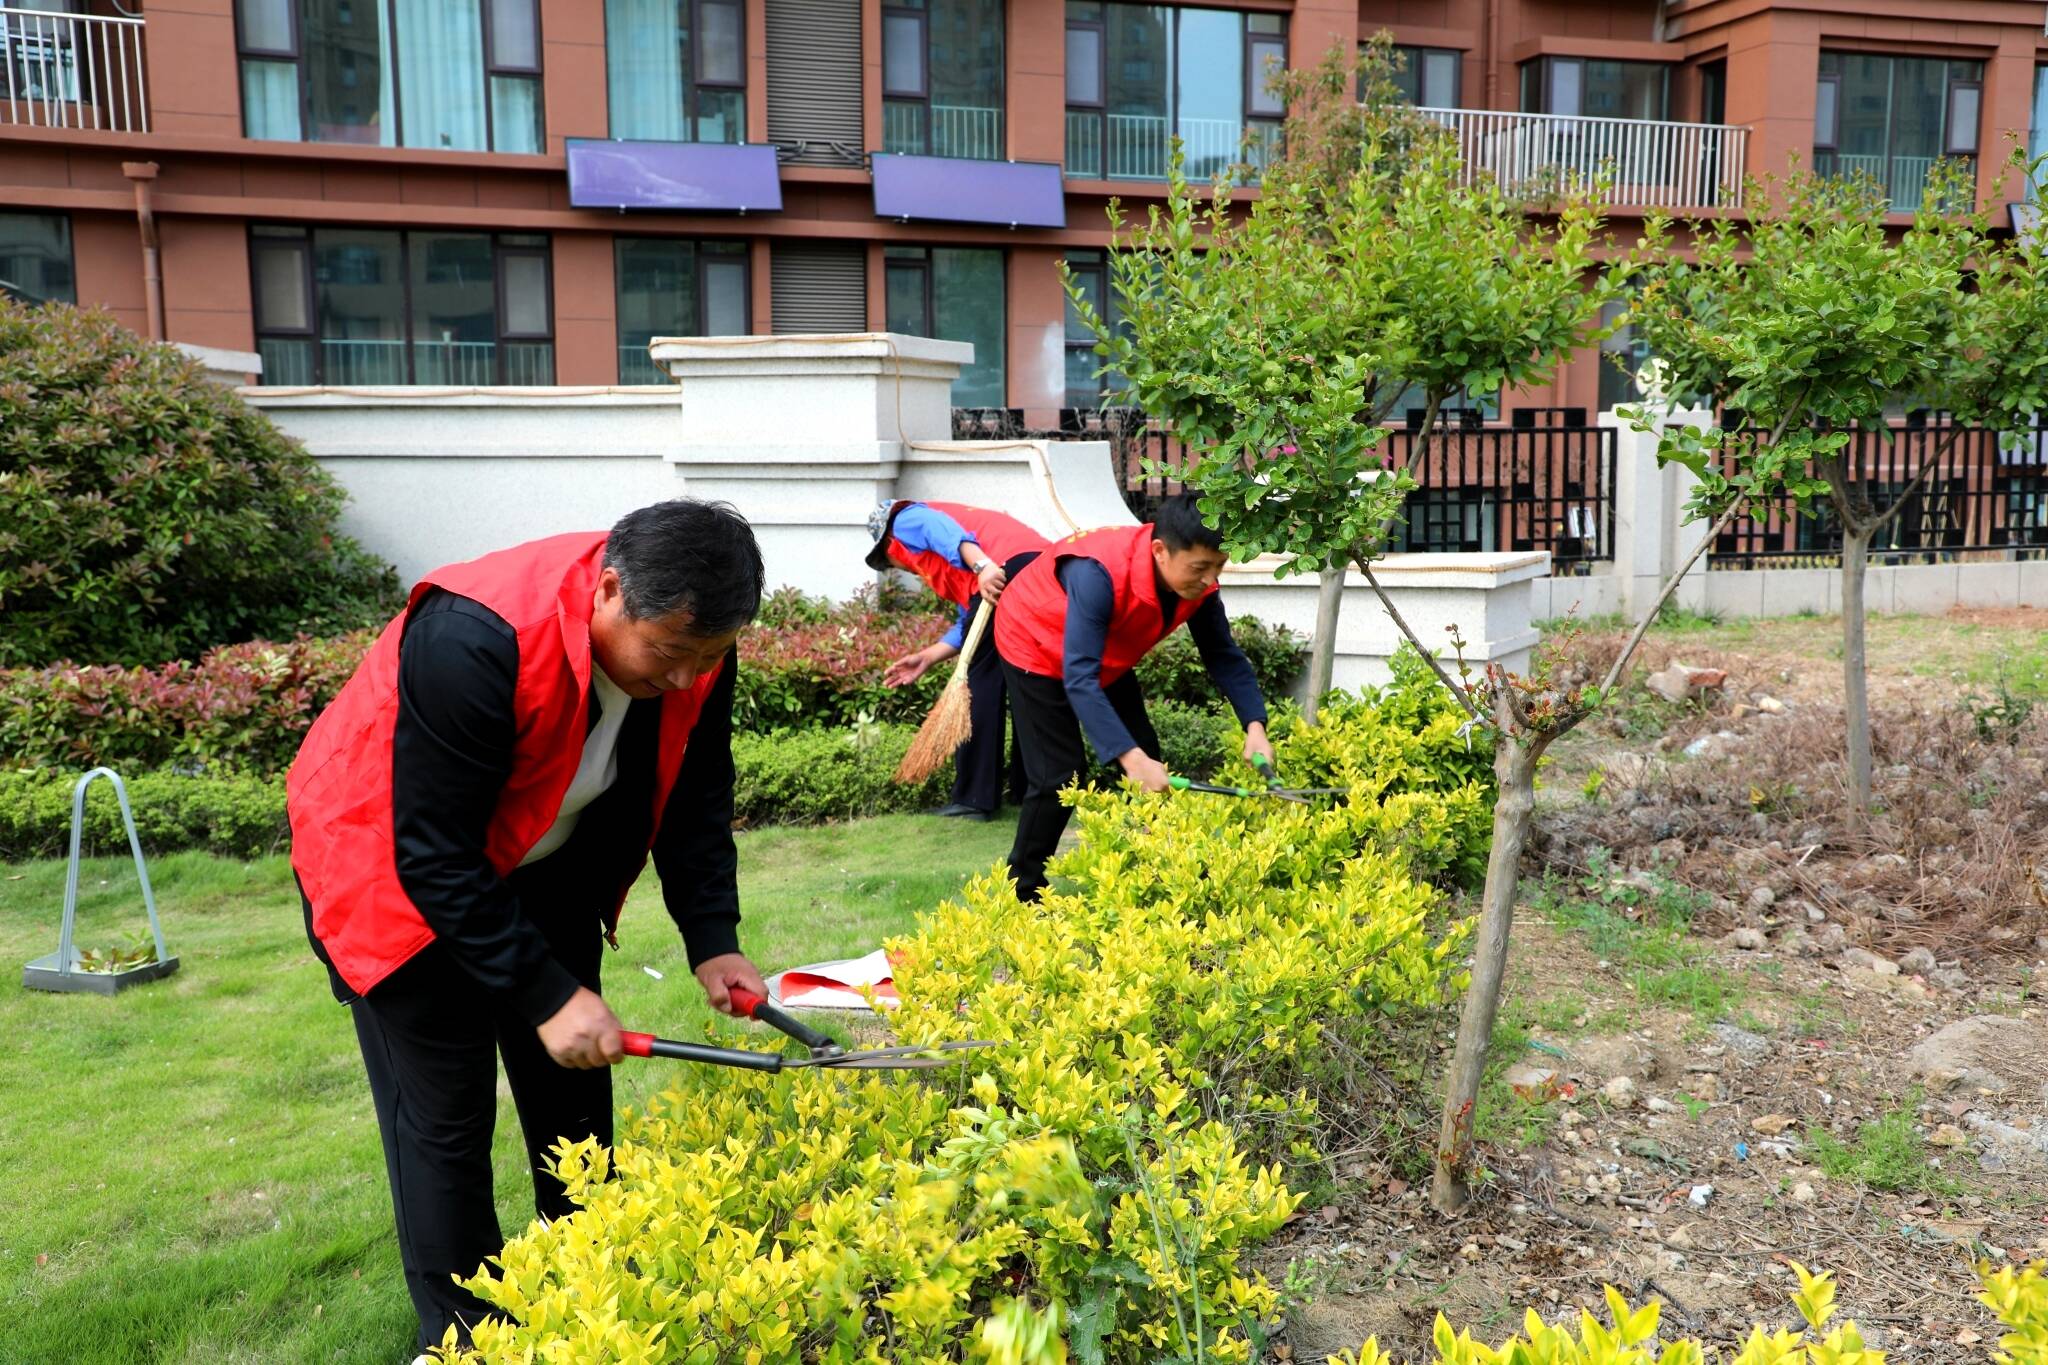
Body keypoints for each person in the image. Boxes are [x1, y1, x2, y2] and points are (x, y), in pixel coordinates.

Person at [286, 499, 770, 1357]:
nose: (690, 678)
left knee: (576, 1096)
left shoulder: (694, 644)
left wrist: (712, 936)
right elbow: (431, 852)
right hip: (385, 867)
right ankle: (469, 1340)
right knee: (446, 1121)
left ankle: (592, 1306)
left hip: (540, 862)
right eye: (669, 653)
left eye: (711, 657)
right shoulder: (476, 638)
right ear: (609, 590)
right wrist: (545, 992)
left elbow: (695, 791)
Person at [992, 493, 1276, 900]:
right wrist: (1128, 758)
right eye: (1200, 568)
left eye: (1219, 568)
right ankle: (1022, 891)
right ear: (1160, 551)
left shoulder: (1199, 586)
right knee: (1059, 774)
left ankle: (1163, 874)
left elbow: (1223, 656)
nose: (1210, 580)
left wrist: (1255, 726)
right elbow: (1079, 678)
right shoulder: (1097, 573)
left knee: (1150, 759)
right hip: (1032, 643)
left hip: (1103, 652)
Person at [866, 498, 1049, 820]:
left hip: (1005, 570)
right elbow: (970, 621)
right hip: (1040, 569)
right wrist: (927, 657)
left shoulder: (904, 519)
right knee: (1026, 676)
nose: (906, 568)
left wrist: (983, 566)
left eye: (891, 562)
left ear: (890, 545)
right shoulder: (960, 564)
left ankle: (975, 799)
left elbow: (941, 530)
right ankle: (1032, 788)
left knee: (980, 684)